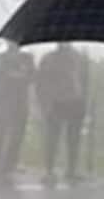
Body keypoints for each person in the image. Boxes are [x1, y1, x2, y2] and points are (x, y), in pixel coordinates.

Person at [34, 42, 91, 181]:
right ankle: (49, 171)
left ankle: (71, 169)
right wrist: (44, 103)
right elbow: (40, 83)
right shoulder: (49, 59)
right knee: (52, 138)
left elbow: (85, 81)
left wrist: (83, 100)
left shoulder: (79, 58)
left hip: (76, 102)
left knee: (74, 138)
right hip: (56, 102)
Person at [0, 39, 36, 177]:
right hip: (3, 100)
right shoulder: (0, 58)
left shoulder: (27, 58)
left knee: (17, 134)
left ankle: (9, 165)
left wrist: (22, 75)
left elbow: (33, 76)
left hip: (20, 100)